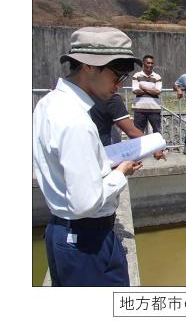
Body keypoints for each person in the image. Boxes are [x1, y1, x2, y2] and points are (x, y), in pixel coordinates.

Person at [32, 27, 144, 286]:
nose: (119, 85)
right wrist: (120, 172)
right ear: (89, 67)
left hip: (65, 233)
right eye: (116, 74)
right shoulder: (76, 121)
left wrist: (103, 162)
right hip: (86, 240)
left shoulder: (48, 103)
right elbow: (85, 203)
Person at [90, 93, 166, 160]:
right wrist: (154, 147)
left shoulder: (80, 98)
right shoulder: (111, 98)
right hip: (102, 156)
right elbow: (131, 131)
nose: (119, 86)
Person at [132, 55, 162, 134]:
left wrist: (143, 88)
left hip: (154, 109)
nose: (150, 65)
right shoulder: (136, 75)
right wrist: (152, 90)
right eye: (148, 63)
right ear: (143, 63)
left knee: (157, 133)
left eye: (152, 63)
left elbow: (158, 92)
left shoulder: (157, 77)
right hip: (139, 109)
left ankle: (158, 147)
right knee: (138, 133)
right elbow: (135, 91)